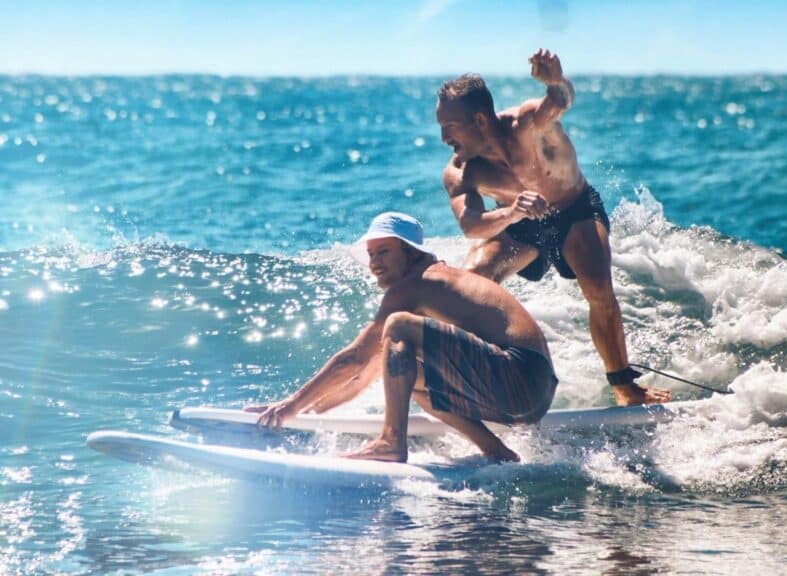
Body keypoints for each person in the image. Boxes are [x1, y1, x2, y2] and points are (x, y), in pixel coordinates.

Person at [435, 48, 671, 406]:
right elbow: (471, 225)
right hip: (521, 221)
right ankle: (480, 385)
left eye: (449, 128)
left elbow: (559, 100)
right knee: (474, 276)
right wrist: (513, 212)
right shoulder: (461, 171)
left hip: (573, 209)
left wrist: (557, 81)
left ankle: (623, 385)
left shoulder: (528, 123)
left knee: (596, 285)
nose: (443, 139)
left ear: (480, 120)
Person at [245, 212, 558, 463]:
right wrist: (310, 412)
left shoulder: (414, 286)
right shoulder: (434, 289)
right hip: (533, 397)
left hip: (521, 376)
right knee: (411, 377)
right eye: (370, 254)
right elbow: (365, 372)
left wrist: (289, 407)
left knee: (396, 325)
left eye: (383, 252)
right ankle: (497, 452)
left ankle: (391, 441)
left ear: (410, 253)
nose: (374, 263)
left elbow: (354, 357)